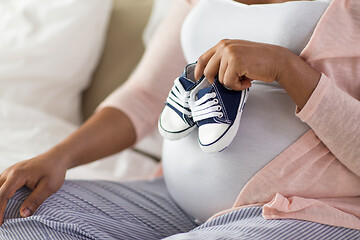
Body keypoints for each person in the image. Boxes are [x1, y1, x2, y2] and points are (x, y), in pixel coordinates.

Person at [0, 0, 359, 239]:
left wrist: (288, 69)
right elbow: (144, 97)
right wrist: (59, 156)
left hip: (307, 213)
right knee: (16, 212)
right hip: (173, 202)